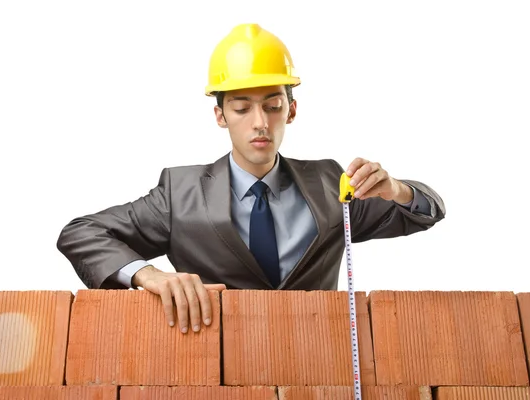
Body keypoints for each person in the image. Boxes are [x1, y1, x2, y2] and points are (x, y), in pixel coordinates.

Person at [56, 23, 445, 335]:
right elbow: (81, 233)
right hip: (215, 367)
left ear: (291, 111)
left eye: (273, 106)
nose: (260, 123)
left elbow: (427, 210)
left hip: (316, 366)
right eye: (242, 108)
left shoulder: (331, 184)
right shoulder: (181, 193)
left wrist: (396, 190)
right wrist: (149, 275)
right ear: (221, 116)